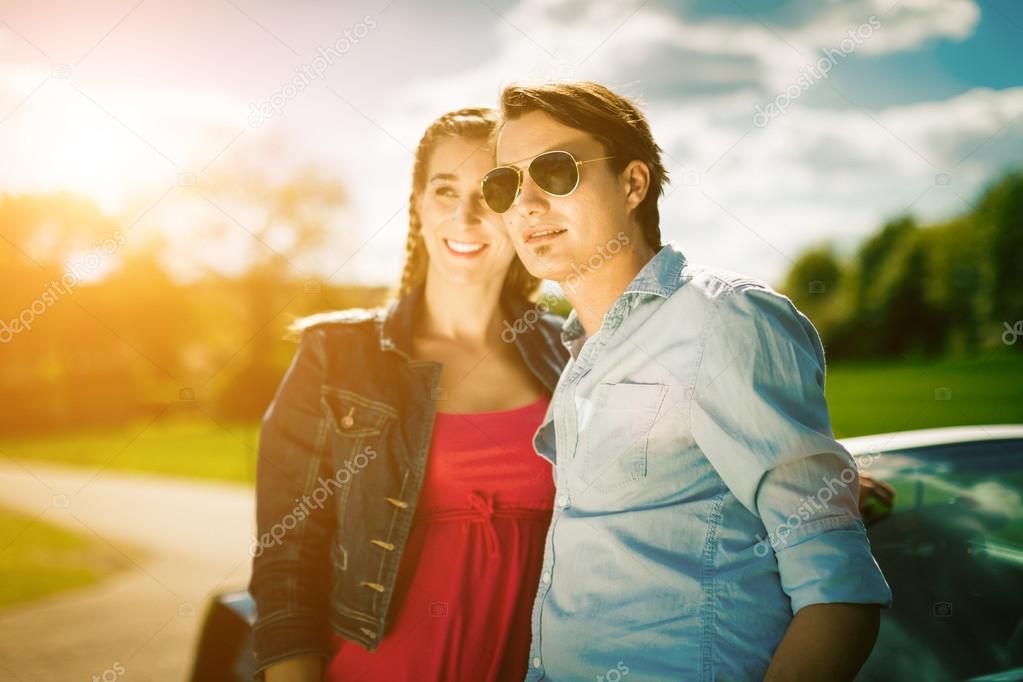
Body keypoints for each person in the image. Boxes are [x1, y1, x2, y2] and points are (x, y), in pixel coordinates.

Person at [481, 81, 893, 681]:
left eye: (555, 170)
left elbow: (839, 593)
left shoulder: (727, 319)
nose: (527, 203)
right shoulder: (580, 357)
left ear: (632, 183)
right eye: (505, 184)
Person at [248, 107, 569, 682]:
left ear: (523, 210)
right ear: (418, 206)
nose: (466, 215)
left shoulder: (574, 354)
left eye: (492, 192)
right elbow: (287, 564)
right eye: (445, 191)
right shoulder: (336, 355)